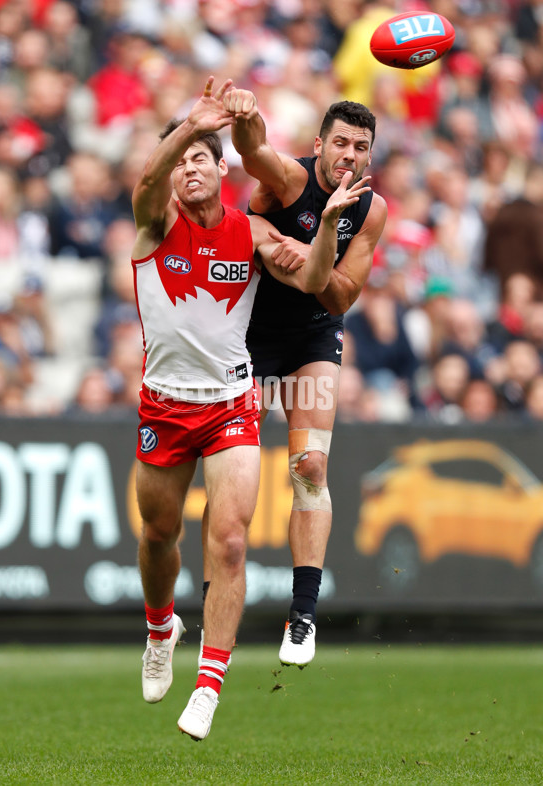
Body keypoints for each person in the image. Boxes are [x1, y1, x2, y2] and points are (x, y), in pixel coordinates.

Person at [132, 76, 370, 741]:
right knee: (158, 534)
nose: (187, 168)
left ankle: (209, 684)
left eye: (201, 157)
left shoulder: (249, 231)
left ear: (220, 168)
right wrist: (189, 125)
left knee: (231, 539)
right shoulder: (154, 223)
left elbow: (317, 281)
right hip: (164, 404)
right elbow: (150, 176)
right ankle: (160, 628)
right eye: (180, 161)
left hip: (232, 403)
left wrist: (324, 230)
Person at [212, 80, 387, 668]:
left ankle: (303, 614)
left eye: (361, 147)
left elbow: (335, 297)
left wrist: (306, 254)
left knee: (311, 465)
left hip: (312, 334)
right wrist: (245, 113)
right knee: (234, 469)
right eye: (341, 143)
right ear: (320, 145)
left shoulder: (370, 209)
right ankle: (214, 596)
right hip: (251, 335)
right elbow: (252, 149)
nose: (350, 156)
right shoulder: (292, 178)